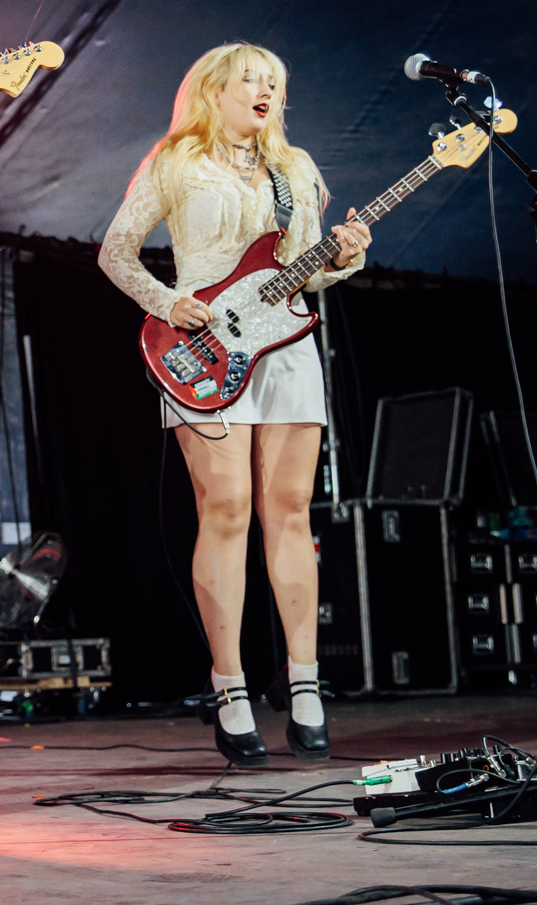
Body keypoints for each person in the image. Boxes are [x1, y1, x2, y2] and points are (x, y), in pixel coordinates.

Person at [98, 42, 372, 767]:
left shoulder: (296, 168)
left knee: (289, 512)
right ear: (213, 90)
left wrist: (345, 257)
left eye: (275, 83)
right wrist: (169, 301)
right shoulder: (175, 164)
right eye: (250, 80)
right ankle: (231, 688)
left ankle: (307, 685)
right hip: (203, 351)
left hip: (286, 356)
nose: (265, 91)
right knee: (226, 512)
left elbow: (306, 275)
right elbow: (116, 251)